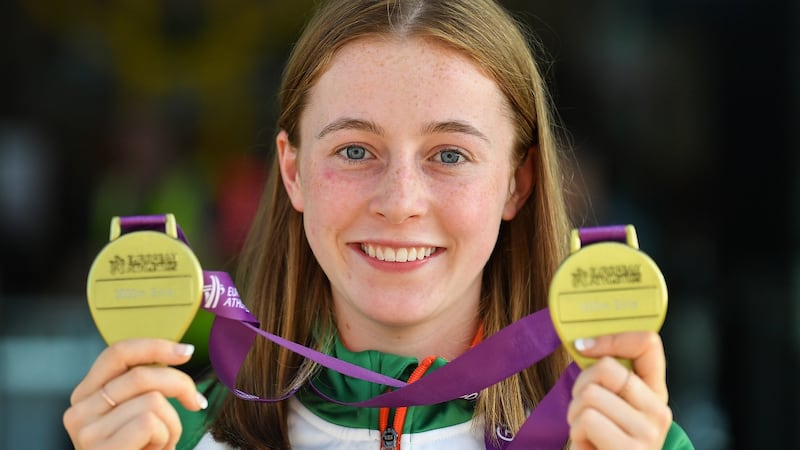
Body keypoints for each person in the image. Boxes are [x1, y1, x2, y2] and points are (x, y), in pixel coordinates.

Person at [63, 0, 695, 449]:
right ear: (292, 172)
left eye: (450, 155)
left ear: (517, 182)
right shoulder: (174, 432)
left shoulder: (614, 435)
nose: (400, 202)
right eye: (355, 150)